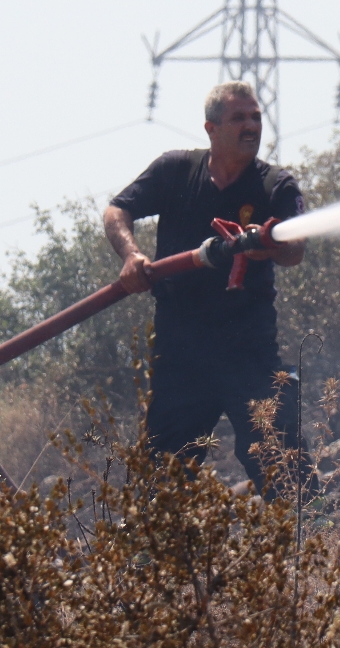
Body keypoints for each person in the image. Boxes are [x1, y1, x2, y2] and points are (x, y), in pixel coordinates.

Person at [104, 82, 312, 498]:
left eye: (256, 117)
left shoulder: (275, 186)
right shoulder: (175, 171)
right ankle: (156, 541)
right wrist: (131, 256)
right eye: (239, 118)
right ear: (211, 128)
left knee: (284, 466)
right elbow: (116, 211)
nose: (252, 126)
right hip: (181, 353)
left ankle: (317, 535)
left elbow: (295, 250)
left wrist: (270, 246)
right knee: (162, 480)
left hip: (248, 350)